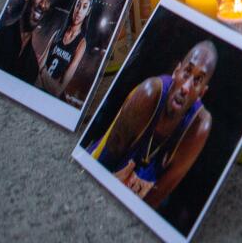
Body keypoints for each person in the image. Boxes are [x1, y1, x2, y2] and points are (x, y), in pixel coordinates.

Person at [88, 41, 217, 210]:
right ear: (176, 71)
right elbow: (103, 160)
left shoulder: (199, 126)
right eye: (186, 73)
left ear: (202, 92)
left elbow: (158, 196)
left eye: (197, 80)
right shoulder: (149, 93)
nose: (186, 87)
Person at [39, 0, 93, 101]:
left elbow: (58, 89)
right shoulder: (58, 33)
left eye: (84, 7)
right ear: (74, 6)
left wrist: (43, 72)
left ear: (88, 11)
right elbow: (40, 64)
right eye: (78, 4)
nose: (79, 11)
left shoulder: (81, 43)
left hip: (49, 97)